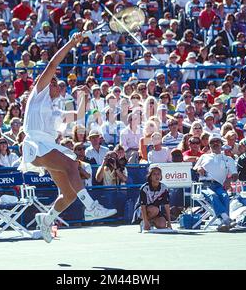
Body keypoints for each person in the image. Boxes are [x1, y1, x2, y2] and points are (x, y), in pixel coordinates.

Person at [18, 33, 116, 243]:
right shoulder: (38, 94)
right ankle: (91, 208)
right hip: (36, 144)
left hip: (49, 147)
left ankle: (47, 218)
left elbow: (79, 115)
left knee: (69, 194)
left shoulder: (55, 108)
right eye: (53, 82)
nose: (56, 84)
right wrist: (72, 43)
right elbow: (53, 64)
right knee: (72, 165)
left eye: (56, 83)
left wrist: (84, 96)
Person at [193, 133, 238, 232]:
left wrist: (228, 180)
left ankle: (223, 223)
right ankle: (226, 219)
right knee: (213, 196)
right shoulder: (204, 157)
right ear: (209, 145)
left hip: (219, 185)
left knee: (225, 196)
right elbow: (194, 168)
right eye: (212, 142)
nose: (215, 144)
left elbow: (235, 175)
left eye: (217, 141)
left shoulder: (228, 159)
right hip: (204, 185)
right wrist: (199, 168)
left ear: (221, 144)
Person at [132, 166, 172, 231]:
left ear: (161, 176)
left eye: (158, 174)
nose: (157, 176)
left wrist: (169, 223)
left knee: (162, 224)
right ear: (150, 177)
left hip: (155, 212)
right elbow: (143, 206)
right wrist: (145, 221)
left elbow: (166, 205)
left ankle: (150, 222)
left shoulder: (164, 188)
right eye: (154, 174)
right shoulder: (144, 188)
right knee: (155, 210)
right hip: (141, 211)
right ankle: (144, 222)